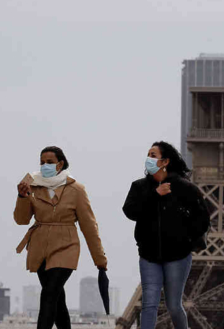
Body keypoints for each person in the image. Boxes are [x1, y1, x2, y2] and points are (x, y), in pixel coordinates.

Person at [15, 146, 108, 329]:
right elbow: (21, 220)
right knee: (57, 301)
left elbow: (89, 226)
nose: (44, 166)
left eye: (49, 162)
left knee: (49, 293)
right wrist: (22, 196)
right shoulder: (30, 184)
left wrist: (100, 259)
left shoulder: (76, 189)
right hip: (39, 247)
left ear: (60, 164)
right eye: (42, 162)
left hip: (66, 246)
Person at [122, 141, 210, 329]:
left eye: (153, 155)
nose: (149, 159)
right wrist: (155, 194)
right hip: (149, 255)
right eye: (148, 154)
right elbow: (130, 211)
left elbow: (202, 219)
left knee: (174, 305)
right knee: (149, 304)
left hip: (177, 256)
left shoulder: (185, 188)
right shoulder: (139, 187)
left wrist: (185, 240)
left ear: (165, 161)